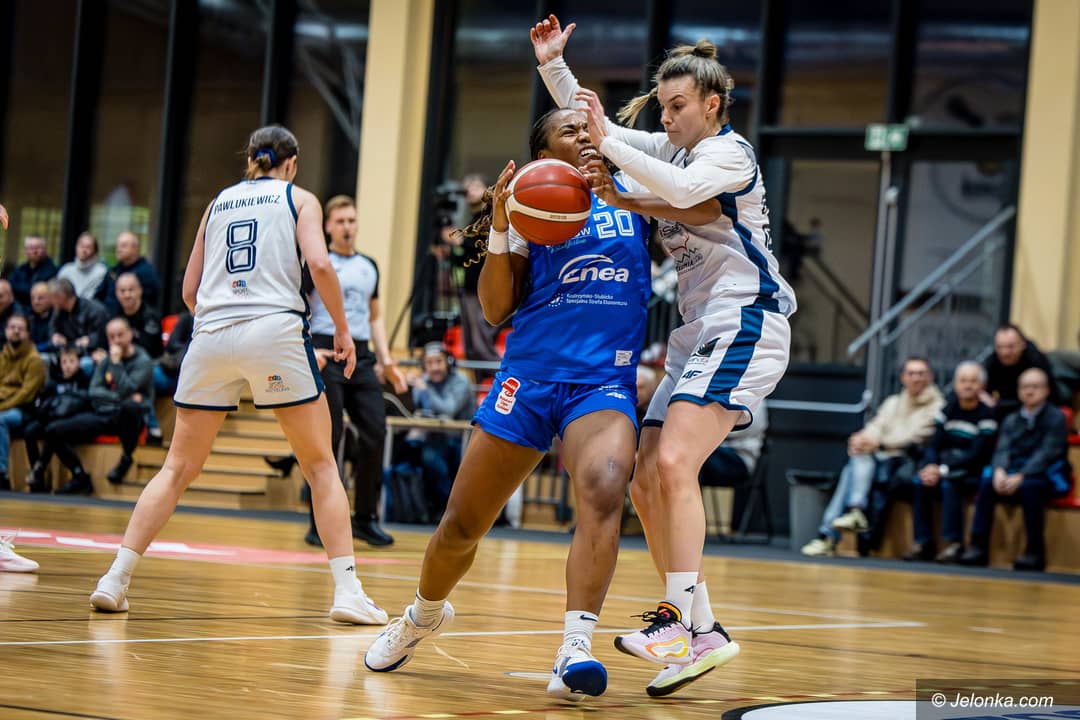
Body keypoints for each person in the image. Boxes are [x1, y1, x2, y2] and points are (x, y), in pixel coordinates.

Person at [366, 106, 678, 700]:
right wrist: (503, 223)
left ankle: (574, 648)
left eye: (588, 129)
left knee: (605, 490)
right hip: (528, 380)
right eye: (569, 130)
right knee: (462, 524)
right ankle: (421, 615)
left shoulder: (631, 192)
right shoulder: (528, 207)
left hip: (601, 383)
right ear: (542, 154)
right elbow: (493, 310)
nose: (584, 136)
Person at [531, 16, 795, 695]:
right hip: (695, 330)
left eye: (678, 106)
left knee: (675, 461)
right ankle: (704, 631)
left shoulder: (729, 155)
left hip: (746, 317)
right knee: (646, 479)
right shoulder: (673, 150)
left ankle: (675, 621)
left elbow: (674, 192)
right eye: (663, 107)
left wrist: (620, 175)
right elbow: (599, 129)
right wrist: (554, 68)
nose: (668, 118)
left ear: (713, 104)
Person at [88, 125, 387, 625]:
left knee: (176, 469)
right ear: (291, 163)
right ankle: (348, 591)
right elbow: (320, 264)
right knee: (320, 466)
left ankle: (114, 579)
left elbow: (189, 289)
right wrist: (341, 329)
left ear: (251, 160)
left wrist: (222, 321)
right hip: (274, 330)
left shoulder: (217, 204)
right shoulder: (300, 199)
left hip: (210, 334)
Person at [301, 194, 407, 549]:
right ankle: (320, 522)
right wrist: (308, 350)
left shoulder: (368, 266)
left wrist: (387, 361)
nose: (347, 227)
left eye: (351, 220)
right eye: (341, 221)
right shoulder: (318, 263)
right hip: (325, 351)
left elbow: (375, 317)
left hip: (360, 357)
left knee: (376, 432)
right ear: (328, 227)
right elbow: (300, 309)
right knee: (328, 440)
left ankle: (365, 518)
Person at [801, 357, 943, 557]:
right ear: (903, 378)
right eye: (911, 373)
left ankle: (827, 535)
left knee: (851, 471)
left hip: (906, 461)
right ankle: (854, 512)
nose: (916, 378)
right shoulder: (893, 402)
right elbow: (876, 425)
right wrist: (862, 439)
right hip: (881, 456)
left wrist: (878, 443)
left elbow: (915, 437)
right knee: (858, 458)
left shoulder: (938, 407)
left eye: (921, 373)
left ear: (930, 377)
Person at [959, 368, 1070, 571]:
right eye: (1025, 387)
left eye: (1035, 387)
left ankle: (1034, 552)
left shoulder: (1056, 417)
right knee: (987, 483)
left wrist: (1022, 475)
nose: (1029, 391)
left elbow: (1047, 453)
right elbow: (1002, 448)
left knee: (1031, 487)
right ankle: (978, 547)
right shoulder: (1011, 418)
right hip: (1012, 472)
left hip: (1044, 474)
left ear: (1046, 390)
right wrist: (1000, 470)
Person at [906, 361, 997, 563]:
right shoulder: (948, 409)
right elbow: (934, 445)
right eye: (963, 381)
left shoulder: (987, 415)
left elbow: (977, 455)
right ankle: (923, 543)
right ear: (955, 384)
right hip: (944, 467)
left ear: (982, 386)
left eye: (973, 381)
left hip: (972, 471)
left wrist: (942, 470)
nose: (967, 385)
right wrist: (930, 466)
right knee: (920, 482)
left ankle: (954, 544)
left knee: (950, 483)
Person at [51, 317, 152, 494]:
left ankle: (126, 458)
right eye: (111, 337)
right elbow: (94, 390)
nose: (116, 340)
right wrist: (118, 397)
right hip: (103, 414)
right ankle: (80, 476)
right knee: (54, 430)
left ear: (130, 334)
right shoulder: (107, 358)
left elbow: (126, 389)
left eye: (120, 335)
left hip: (127, 419)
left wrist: (116, 364)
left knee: (130, 407)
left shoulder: (143, 361)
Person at [405, 341, 474, 517]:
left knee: (430, 457)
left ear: (448, 362)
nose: (434, 367)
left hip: (462, 440)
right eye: (429, 363)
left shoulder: (461, 382)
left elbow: (448, 409)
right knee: (406, 451)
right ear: (423, 366)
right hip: (434, 437)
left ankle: (449, 508)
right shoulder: (424, 381)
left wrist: (426, 390)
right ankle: (422, 510)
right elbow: (416, 409)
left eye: (438, 361)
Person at [25, 346, 91, 492]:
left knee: (53, 432)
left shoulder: (83, 380)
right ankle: (37, 473)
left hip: (71, 420)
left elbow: (86, 401)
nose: (67, 365)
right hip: (51, 418)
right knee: (30, 431)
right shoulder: (55, 381)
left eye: (71, 361)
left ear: (79, 363)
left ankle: (39, 469)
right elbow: (42, 403)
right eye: (64, 362)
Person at [0, 314, 46, 490]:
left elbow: (26, 394)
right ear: (5, 331)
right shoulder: (2, 356)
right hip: (4, 403)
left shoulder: (34, 360)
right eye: (12, 327)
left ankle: (2, 474)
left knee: (1, 420)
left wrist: (2, 406)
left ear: (28, 333)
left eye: (20, 328)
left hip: (24, 410)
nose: (16, 331)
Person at [983, 324, 1058, 419]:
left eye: (1011, 347)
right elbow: (984, 390)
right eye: (1000, 347)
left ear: (1023, 344)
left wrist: (998, 404)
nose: (1005, 352)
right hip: (1004, 409)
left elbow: (1050, 395)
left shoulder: (1036, 360)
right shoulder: (992, 361)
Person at [109, 231, 161, 311]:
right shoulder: (114, 270)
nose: (118, 249)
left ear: (135, 248)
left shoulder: (146, 273)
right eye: (117, 246)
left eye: (123, 246)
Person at [58, 232, 111, 302]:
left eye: (88, 247)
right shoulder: (66, 270)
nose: (84, 250)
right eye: (81, 246)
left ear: (95, 251)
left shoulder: (102, 272)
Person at [9, 236, 58, 308]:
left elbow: (39, 293)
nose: (35, 251)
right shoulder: (20, 270)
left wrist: (20, 290)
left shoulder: (52, 271)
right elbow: (9, 287)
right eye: (31, 248)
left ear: (45, 250)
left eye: (38, 248)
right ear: (25, 251)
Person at [27, 281, 54, 354]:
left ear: (51, 298)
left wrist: (34, 349)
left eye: (40, 298)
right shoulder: (29, 316)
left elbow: (54, 342)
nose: (36, 302)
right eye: (32, 298)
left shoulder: (57, 315)